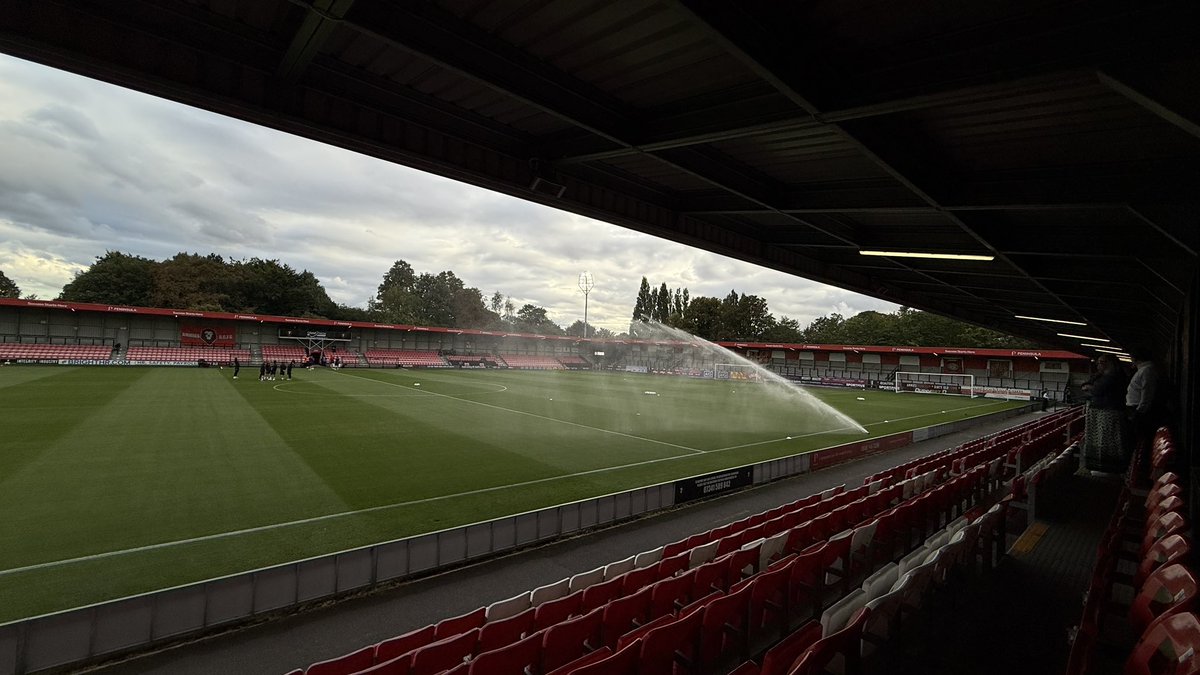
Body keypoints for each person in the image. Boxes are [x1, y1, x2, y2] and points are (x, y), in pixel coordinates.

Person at [1078, 353, 1128, 474]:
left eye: (1101, 362)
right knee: (1098, 438)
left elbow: (1096, 390)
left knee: (1106, 439)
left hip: (1109, 413)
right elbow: (1085, 386)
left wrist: (1091, 388)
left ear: (1109, 363)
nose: (1098, 365)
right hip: (1099, 411)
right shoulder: (1101, 376)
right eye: (1098, 362)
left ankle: (1107, 467)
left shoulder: (1114, 376)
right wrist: (1091, 386)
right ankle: (1097, 465)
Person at [1126, 347, 1163, 453]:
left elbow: (1147, 393)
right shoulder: (1144, 370)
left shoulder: (1147, 371)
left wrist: (1139, 412)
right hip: (1137, 409)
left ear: (1136, 358)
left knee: (1140, 441)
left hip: (1140, 411)